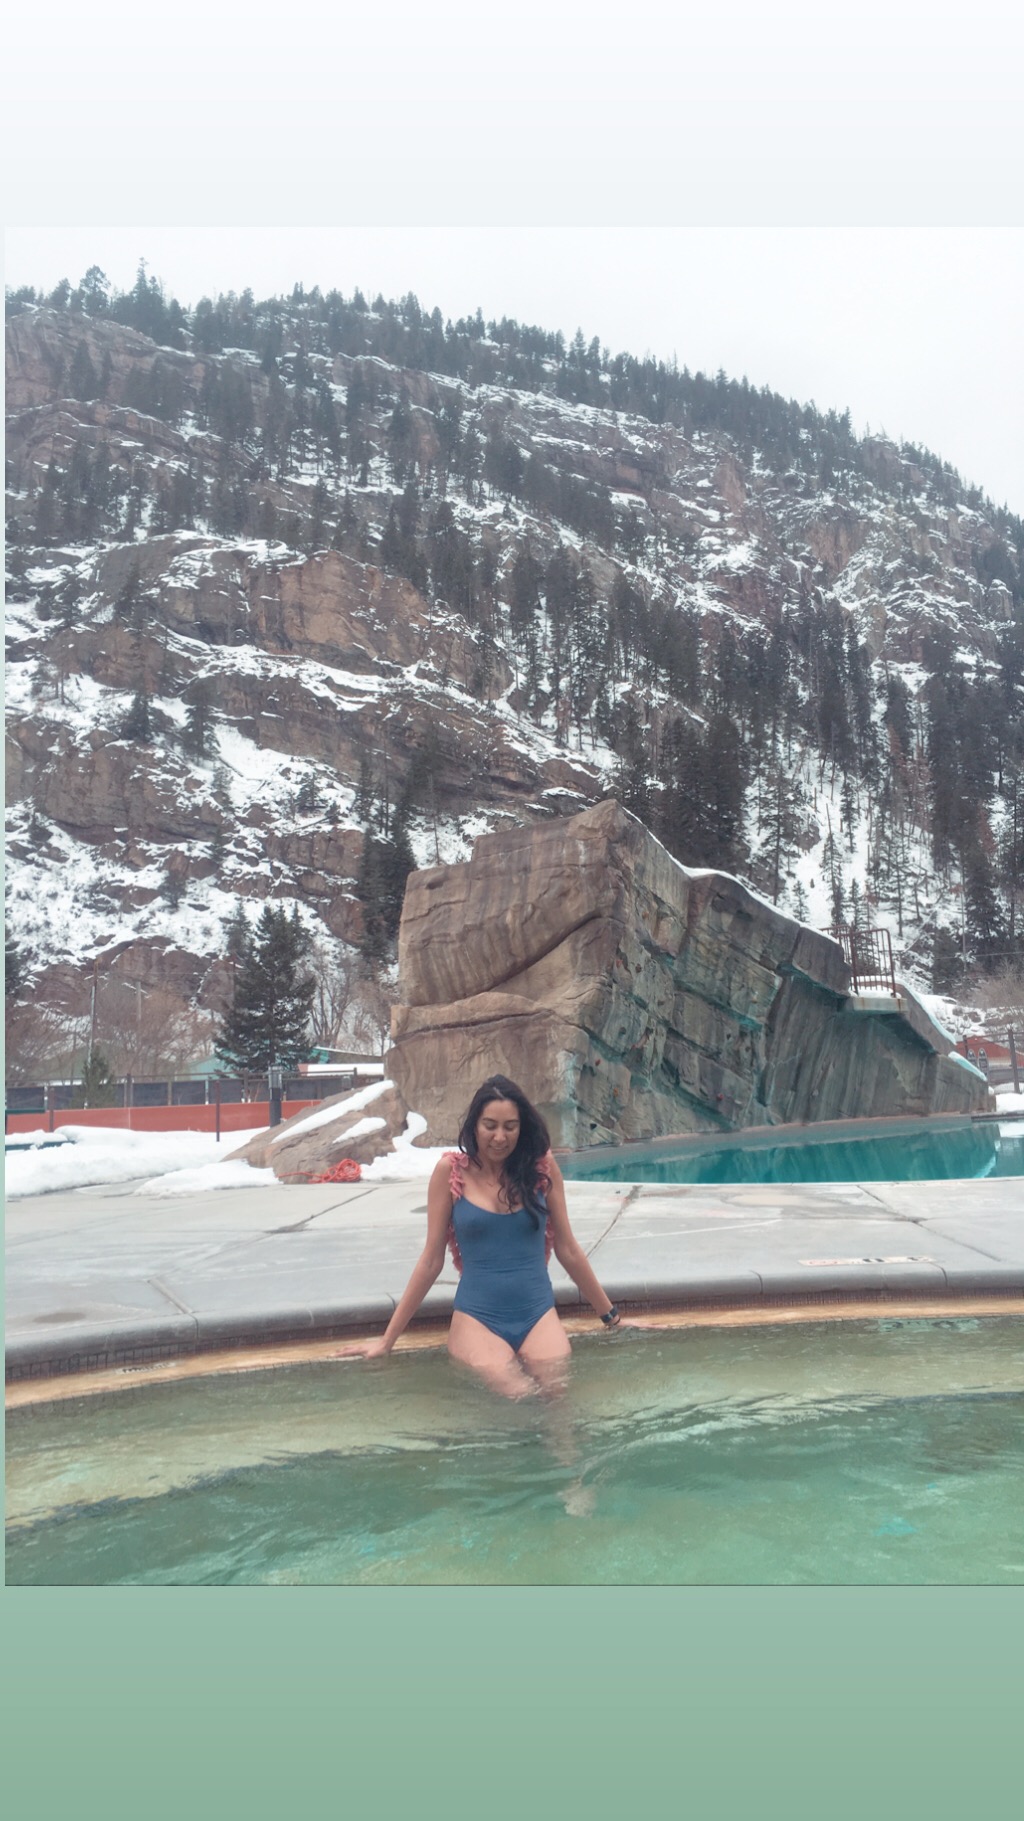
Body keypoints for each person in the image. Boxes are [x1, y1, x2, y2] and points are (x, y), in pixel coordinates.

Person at [332, 1074, 623, 1396]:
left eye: (510, 1127)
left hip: (537, 1313)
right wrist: (387, 1341)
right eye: (490, 1126)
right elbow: (431, 1261)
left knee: (558, 1398)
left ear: (521, 1128)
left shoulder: (541, 1170)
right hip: (479, 1319)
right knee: (518, 1392)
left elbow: (567, 1249)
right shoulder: (450, 1172)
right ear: (474, 1126)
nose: (500, 1137)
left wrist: (612, 1318)